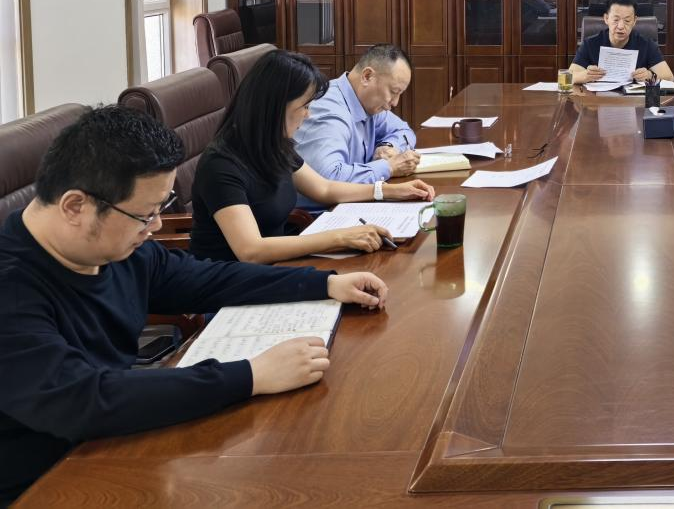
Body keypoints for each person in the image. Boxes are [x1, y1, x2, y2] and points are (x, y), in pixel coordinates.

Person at [0, 106, 391, 504]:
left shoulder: (113, 250)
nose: (155, 227)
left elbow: (208, 280)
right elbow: (83, 398)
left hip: (113, 446)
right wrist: (252, 375)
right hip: (41, 485)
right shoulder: (11, 289)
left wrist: (324, 283)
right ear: (74, 207)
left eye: (161, 209)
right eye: (145, 215)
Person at [191, 50, 434, 264]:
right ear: (277, 105)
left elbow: (324, 188)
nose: (308, 115)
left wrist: (389, 191)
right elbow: (251, 251)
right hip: (229, 282)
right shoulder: (220, 164)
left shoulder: (274, 145)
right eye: (305, 106)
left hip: (277, 267)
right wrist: (339, 237)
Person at [294, 44, 419, 209]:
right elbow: (328, 180)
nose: (395, 103)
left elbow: (403, 130)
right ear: (367, 76)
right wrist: (388, 167)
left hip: (354, 205)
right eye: (393, 92)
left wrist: (388, 146)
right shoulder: (330, 111)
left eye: (399, 94)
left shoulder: (369, 103)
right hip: (322, 214)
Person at [568, 0, 674, 84]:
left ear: (634, 21)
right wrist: (586, 75)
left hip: (634, 100)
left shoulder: (647, 45)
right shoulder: (590, 44)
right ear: (606, 18)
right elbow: (569, 77)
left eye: (627, 21)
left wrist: (650, 75)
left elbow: (669, 78)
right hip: (598, 99)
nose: (621, 26)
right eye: (616, 20)